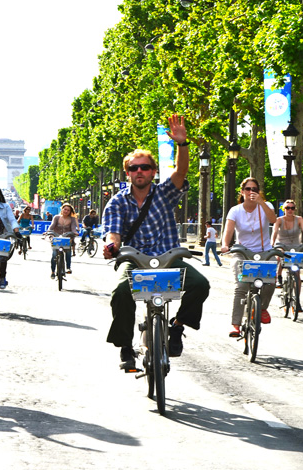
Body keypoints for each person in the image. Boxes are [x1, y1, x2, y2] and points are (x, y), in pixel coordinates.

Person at [102, 114, 210, 371]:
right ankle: (126, 346)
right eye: (134, 168)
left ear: (153, 171)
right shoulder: (117, 202)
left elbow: (181, 171)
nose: (139, 171)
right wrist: (112, 246)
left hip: (169, 259)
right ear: (127, 173)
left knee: (200, 285)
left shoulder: (164, 193)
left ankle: (177, 326)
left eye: (145, 167)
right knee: (119, 294)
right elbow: (113, 233)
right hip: (135, 261)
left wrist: (182, 145)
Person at [220, 176, 278, 337]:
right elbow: (229, 231)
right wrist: (225, 244)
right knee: (241, 286)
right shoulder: (235, 210)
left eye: (255, 189)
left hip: (264, 251)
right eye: (248, 189)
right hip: (242, 252)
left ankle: (263, 308)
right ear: (242, 192)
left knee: (271, 281)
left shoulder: (266, 206)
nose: (251, 192)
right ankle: (236, 325)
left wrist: (261, 203)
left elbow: (273, 220)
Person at [271, 199, 303, 312]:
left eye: (292, 208)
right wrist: (272, 243)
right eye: (287, 208)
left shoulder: (299, 219)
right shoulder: (279, 220)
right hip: (281, 244)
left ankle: (297, 300)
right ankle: (279, 276)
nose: (290, 210)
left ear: (295, 209)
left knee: (297, 274)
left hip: (296, 246)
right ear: (284, 209)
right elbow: (274, 232)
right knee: (280, 254)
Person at [49, 204, 78, 276]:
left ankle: (68, 268)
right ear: (62, 209)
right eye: (65, 209)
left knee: (68, 252)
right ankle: (52, 272)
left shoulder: (72, 219)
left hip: (67, 238)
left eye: (68, 210)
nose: (66, 211)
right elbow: (51, 226)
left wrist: (74, 232)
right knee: (54, 254)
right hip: (56, 238)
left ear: (70, 212)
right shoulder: (56, 217)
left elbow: (73, 227)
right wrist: (48, 232)